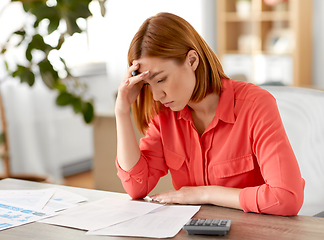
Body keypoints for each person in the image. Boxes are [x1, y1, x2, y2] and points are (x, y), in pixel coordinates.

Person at [114, 12, 304, 216]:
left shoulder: (255, 105)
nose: (157, 95)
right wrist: (122, 111)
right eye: (147, 84)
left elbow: (286, 198)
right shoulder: (164, 114)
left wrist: (204, 194)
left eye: (161, 80)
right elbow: (136, 187)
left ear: (192, 60)